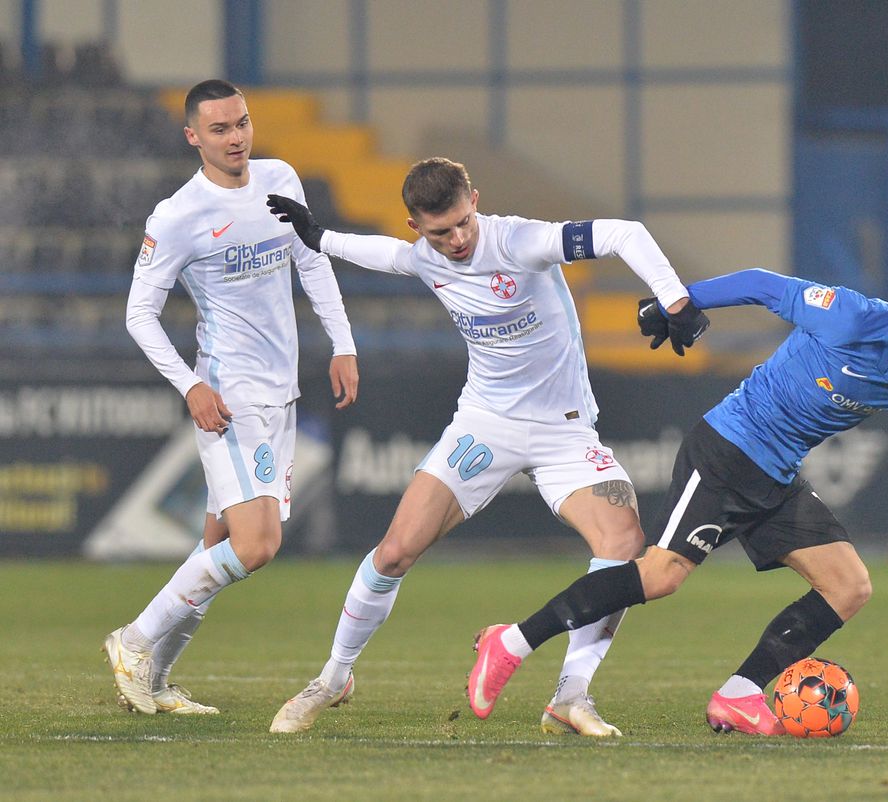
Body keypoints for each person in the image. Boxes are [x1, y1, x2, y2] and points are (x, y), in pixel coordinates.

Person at [467, 266, 888, 735]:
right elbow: (763, 284)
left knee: (849, 585)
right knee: (659, 576)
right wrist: (676, 303)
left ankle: (739, 693)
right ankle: (513, 642)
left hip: (775, 478)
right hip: (726, 451)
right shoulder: (850, 316)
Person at [264, 157, 709, 736]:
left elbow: (625, 233)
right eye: (438, 232)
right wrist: (319, 237)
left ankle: (571, 697)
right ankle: (333, 677)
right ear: (415, 226)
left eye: (461, 224)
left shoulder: (523, 241)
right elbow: (384, 255)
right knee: (395, 551)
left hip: (563, 429)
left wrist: (674, 300)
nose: (454, 241)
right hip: (485, 423)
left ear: (475, 198)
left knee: (622, 543)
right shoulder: (424, 256)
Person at [103, 79, 359, 716]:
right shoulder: (177, 215)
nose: (236, 137)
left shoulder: (280, 179)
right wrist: (190, 384)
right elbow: (140, 314)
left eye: (241, 123)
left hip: (284, 390)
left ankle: (156, 682)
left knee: (216, 543)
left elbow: (313, 262)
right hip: (231, 392)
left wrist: (343, 342)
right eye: (219, 129)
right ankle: (132, 641)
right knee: (256, 545)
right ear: (193, 136)